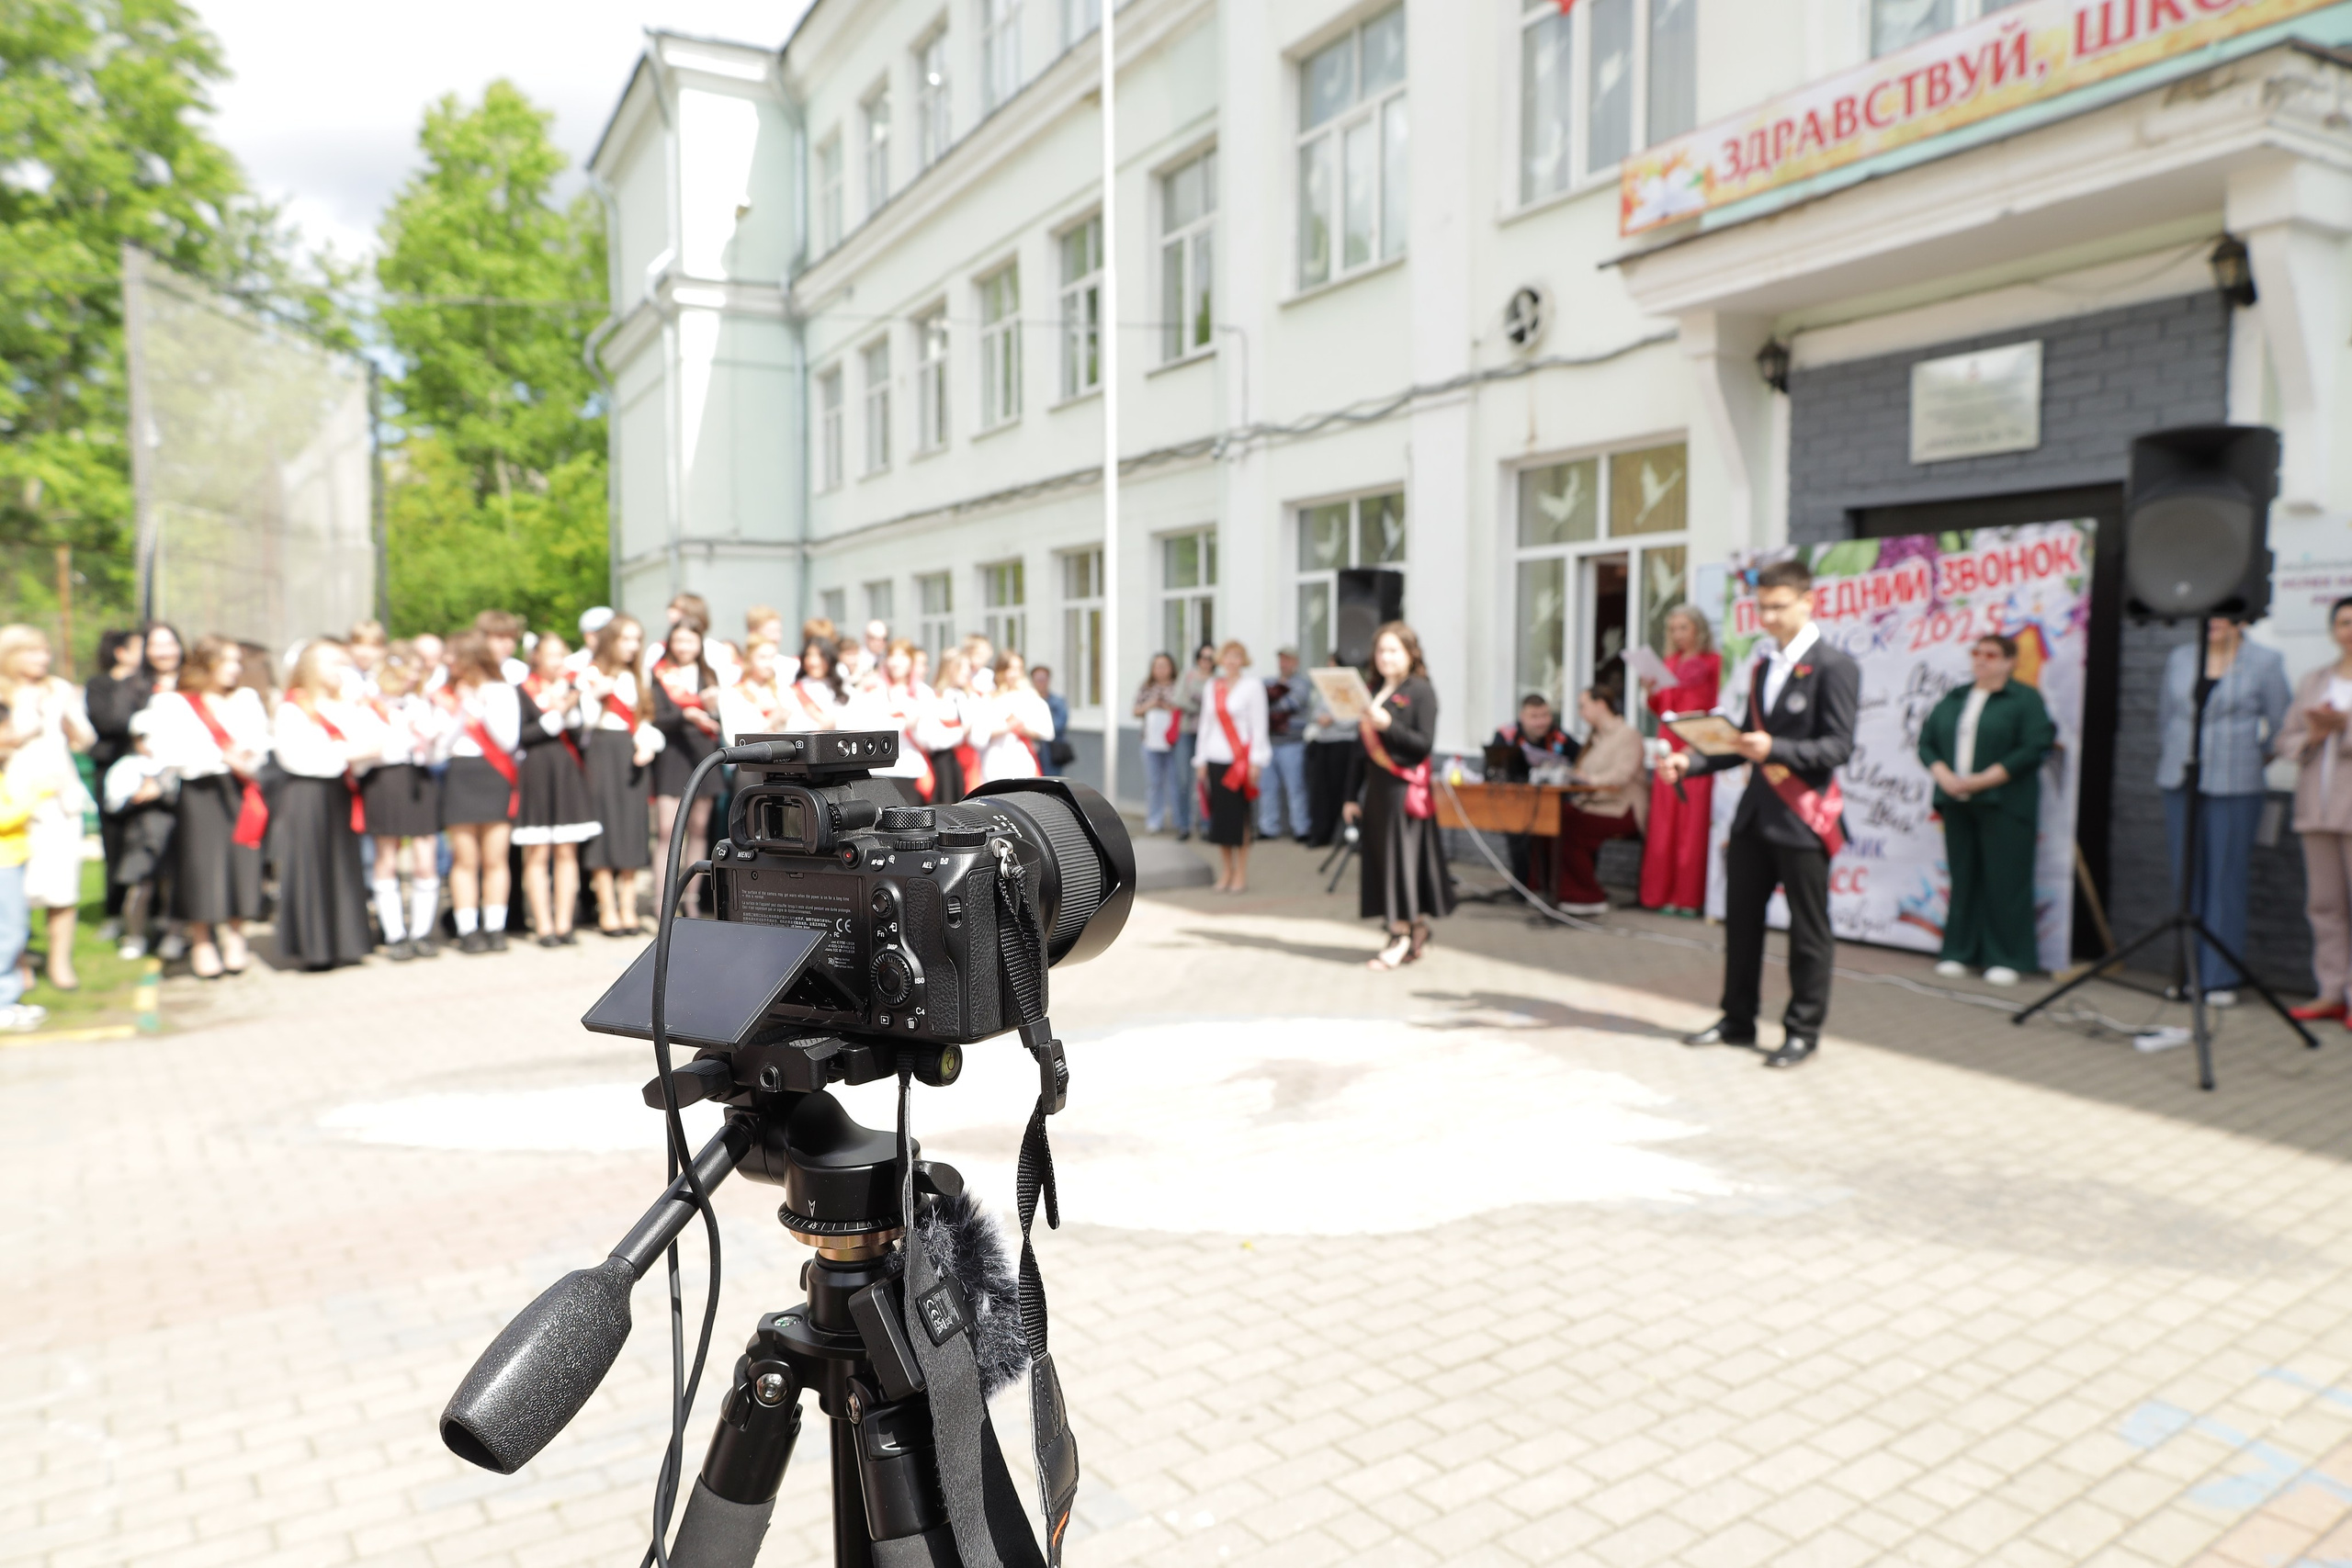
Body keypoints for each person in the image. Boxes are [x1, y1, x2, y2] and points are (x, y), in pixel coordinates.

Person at [1659, 558, 1860, 1068]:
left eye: (1778, 607)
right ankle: (1737, 1020)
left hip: (1802, 820)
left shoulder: (1834, 666)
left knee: (1807, 932)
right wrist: (1693, 761)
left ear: (1808, 602)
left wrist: (1776, 747)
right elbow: (1742, 745)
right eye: (1761, 607)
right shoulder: (1763, 665)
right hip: (1754, 819)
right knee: (1741, 927)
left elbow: (1837, 748)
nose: (1767, 618)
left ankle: (1802, 1031)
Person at [2158, 616, 2290, 1005]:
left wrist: (2252, 759)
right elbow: (2166, 716)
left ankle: (2218, 978)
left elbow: (2282, 724)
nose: (2211, 623)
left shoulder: (2264, 661)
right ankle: (2185, 973)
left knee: (2224, 879)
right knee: (2186, 879)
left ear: (2241, 621)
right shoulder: (2182, 656)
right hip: (2180, 778)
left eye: (2221, 616)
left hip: (2235, 783)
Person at [1917, 633, 2057, 986]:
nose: (1981, 660)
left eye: (1991, 655)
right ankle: (1960, 951)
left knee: (2005, 880)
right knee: (1964, 877)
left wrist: (1986, 778)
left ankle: (2007, 957)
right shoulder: (1957, 697)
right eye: (1977, 653)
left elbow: (2035, 744)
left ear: (2009, 661)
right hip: (1957, 800)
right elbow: (1928, 741)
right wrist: (1943, 775)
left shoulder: (2024, 699)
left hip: (2004, 803)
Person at [141, 635, 267, 979]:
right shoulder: (176, 704)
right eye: (226, 661)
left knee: (241, 862)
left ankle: (236, 937)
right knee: (202, 867)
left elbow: (259, 742)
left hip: (240, 790)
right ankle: (201, 939)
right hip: (200, 793)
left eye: (237, 662)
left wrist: (247, 759)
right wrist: (218, 756)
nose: (234, 669)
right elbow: (169, 752)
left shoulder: (244, 699)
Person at [1344, 623, 1451, 969]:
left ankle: (1400, 935)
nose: (1386, 657)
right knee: (1383, 863)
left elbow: (1423, 744)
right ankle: (1414, 929)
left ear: (1409, 653)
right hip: (1377, 791)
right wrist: (1349, 795)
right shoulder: (1374, 689)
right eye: (1380, 650)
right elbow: (1359, 749)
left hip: (1403, 793)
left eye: (1393, 650)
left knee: (1400, 865)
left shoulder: (1420, 691)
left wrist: (1388, 725)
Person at [271, 639, 381, 971]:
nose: (341, 671)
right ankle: (314, 947)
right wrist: (348, 753)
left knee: (341, 867)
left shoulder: (345, 705)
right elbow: (297, 757)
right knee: (311, 867)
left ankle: (347, 941)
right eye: (333, 663)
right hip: (307, 792)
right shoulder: (293, 707)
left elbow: (372, 743)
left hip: (338, 791)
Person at [0, 626, 94, 990]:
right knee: (13, 890)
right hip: (16, 804)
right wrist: (24, 732)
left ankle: (60, 963)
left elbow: (85, 740)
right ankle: (17, 963)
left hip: (59, 797)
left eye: (44, 651)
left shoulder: (59, 690)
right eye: (31, 652)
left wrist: (70, 719)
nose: (41, 659)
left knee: (62, 884)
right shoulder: (4, 694)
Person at [437, 631, 542, 953]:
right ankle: (468, 929)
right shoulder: (446, 694)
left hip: (493, 774)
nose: (450, 663)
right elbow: (441, 745)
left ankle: (495, 927)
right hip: (460, 773)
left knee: (495, 858)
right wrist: (460, 709)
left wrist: (480, 707)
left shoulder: (501, 690)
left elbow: (507, 741)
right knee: (465, 858)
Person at [2282, 597, 2352, 1024]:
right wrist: (2312, 735)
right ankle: (2331, 991)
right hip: (2316, 809)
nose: (2350, 629)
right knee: (2324, 904)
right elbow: (2285, 739)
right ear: (2332, 631)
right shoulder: (2314, 681)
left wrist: (2343, 730)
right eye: (2343, 622)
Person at [359, 642, 447, 960]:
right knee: (387, 859)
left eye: (416, 672)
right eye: (407, 671)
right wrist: (397, 738)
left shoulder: (421, 703)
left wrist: (434, 737)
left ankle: (421, 933)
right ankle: (394, 934)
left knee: (425, 859)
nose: (412, 678)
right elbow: (364, 752)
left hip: (419, 779)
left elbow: (436, 750)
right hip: (385, 780)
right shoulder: (371, 705)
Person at [578, 614, 662, 936]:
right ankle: (607, 909)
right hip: (602, 751)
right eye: (625, 639)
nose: (632, 646)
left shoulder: (638, 674)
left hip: (632, 752)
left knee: (630, 827)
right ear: (611, 640)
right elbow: (583, 721)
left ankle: (628, 908)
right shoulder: (592, 673)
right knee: (604, 826)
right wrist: (594, 693)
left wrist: (648, 744)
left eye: (636, 639)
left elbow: (645, 719)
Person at [514, 632, 599, 946]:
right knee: (537, 852)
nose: (556, 662)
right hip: (537, 771)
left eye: (561, 655)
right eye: (550, 655)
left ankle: (565, 923)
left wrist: (574, 707)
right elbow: (522, 734)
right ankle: (543, 925)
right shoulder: (522, 689)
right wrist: (558, 712)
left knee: (567, 850)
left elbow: (580, 736)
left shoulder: (570, 689)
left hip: (566, 771)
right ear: (536, 657)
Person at [1639, 605, 1723, 915]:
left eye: (1683, 627)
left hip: (1697, 744)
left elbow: (1719, 703)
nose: (1677, 634)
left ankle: (1689, 897)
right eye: (1673, 629)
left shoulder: (1714, 662)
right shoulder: (1669, 662)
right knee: (1665, 821)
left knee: (1692, 820)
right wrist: (1649, 691)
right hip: (1666, 743)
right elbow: (1660, 707)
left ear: (1698, 629)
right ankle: (1660, 894)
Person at [1555, 685, 1647, 917]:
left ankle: (1587, 896)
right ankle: (1549, 888)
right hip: (1594, 805)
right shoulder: (1594, 740)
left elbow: (1622, 775)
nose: (1580, 712)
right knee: (1551, 817)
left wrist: (1590, 780)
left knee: (1568, 826)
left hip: (1622, 809)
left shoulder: (1628, 735)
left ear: (1601, 705)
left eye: (1583, 706)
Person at [652, 619, 724, 914]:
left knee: (698, 828)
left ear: (700, 644)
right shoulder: (660, 674)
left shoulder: (709, 674)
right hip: (673, 754)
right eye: (678, 640)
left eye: (690, 641)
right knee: (667, 830)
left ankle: (692, 900)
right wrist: (687, 715)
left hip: (702, 752)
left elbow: (721, 720)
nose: (684, 647)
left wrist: (713, 709)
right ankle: (662, 902)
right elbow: (657, 716)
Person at [0, 718, 65, 1029]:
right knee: (9, 932)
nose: (10, 734)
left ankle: (8, 1000)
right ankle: (3, 1002)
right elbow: (4, 818)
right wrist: (39, 793)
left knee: (13, 929)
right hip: (3, 863)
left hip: (11, 858)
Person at [85, 628, 150, 934]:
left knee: (148, 840)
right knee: (114, 843)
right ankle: (115, 912)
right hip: (111, 771)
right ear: (121, 652)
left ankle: (149, 913)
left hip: (147, 771)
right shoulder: (100, 686)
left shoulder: (147, 684)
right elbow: (110, 722)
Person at [1193, 640, 1269, 894]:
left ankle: (1241, 872)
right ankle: (1226, 870)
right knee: (1221, 820)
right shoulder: (1212, 686)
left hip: (1240, 762)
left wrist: (1257, 761)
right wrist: (1200, 759)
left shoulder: (1252, 686)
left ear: (1243, 660)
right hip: (1215, 758)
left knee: (1240, 819)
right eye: (1227, 656)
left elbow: (1259, 726)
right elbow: (1205, 724)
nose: (1231, 660)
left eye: (1237, 656)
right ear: (1220, 659)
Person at [1487, 693, 1577, 897]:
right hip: (1514, 803)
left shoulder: (1559, 737)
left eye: (1545, 715)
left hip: (1550, 804)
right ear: (1522, 717)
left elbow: (1581, 759)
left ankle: (1547, 887)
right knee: (1518, 834)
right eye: (1534, 716)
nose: (1541, 721)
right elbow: (1492, 768)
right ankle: (1521, 887)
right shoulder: (1506, 735)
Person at [103, 713, 175, 961]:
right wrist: (138, 797)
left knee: (171, 887)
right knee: (139, 889)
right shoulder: (126, 768)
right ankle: (135, 936)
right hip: (140, 838)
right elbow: (114, 806)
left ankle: (172, 934)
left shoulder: (173, 765)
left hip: (171, 837)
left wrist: (162, 792)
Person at [1304, 655, 1359, 848]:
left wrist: (1333, 719)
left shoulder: (1352, 690)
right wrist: (1321, 718)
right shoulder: (1323, 692)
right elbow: (1315, 712)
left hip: (1343, 744)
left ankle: (1341, 834)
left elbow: (1355, 716)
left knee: (1338, 790)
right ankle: (1320, 833)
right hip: (1323, 743)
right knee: (1320, 791)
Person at [976, 650, 1055, 783]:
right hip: (995, 761)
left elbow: (1047, 731)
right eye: (1010, 669)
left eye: (1018, 669)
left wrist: (1023, 728)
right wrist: (1008, 726)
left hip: (1022, 759)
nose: (1014, 674)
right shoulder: (989, 697)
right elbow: (980, 734)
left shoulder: (1029, 696)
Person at [1258, 649, 1311, 843]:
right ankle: (1268, 828)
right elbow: (1257, 703)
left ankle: (1301, 828)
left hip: (1292, 744)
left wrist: (1269, 702)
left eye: (1288, 660)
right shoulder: (1267, 681)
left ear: (1295, 662)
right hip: (1269, 744)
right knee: (1267, 788)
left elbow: (1292, 703)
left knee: (1296, 787)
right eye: (1281, 660)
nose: (1283, 664)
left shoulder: (1302, 683)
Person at [1134, 653, 1184, 833]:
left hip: (1173, 741)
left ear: (1172, 668)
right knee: (1154, 783)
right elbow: (1136, 710)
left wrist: (1164, 706)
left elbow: (1182, 709)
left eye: (1165, 666)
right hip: (1150, 742)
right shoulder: (1147, 687)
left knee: (1175, 782)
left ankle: (1180, 820)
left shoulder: (1178, 687)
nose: (1161, 670)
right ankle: (1155, 820)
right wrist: (1151, 704)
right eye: (1157, 666)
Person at [1172, 644, 1215, 840]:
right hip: (1186, 733)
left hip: (1208, 736)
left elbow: (1216, 707)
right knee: (1183, 780)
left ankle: (1206, 825)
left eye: (1210, 658)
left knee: (1206, 782)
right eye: (1204, 657)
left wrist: (1197, 702)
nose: (1207, 661)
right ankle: (1184, 825)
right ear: (1198, 658)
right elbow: (1178, 700)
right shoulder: (1188, 676)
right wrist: (1203, 706)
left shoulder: (1217, 680)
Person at [1031, 663, 1074, 774]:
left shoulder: (1058, 702)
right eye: (1038, 679)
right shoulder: (1028, 701)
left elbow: (1058, 725)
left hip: (1051, 753)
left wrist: (1035, 730)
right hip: (1032, 751)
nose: (1041, 682)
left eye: (1043, 679)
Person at [474, 608, 529, 683]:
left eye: (512, 637)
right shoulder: (470, 668)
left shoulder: (519, 670)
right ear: (483, 638)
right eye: (501, 637)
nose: (509, 643)